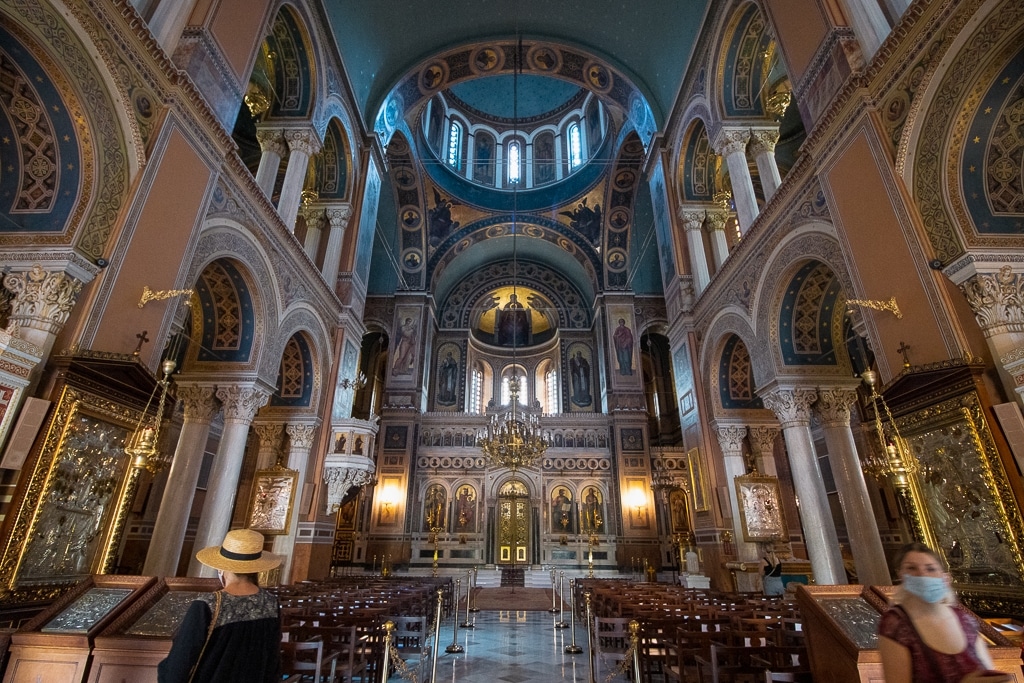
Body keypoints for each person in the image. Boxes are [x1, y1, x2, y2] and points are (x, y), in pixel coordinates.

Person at [158, 528, 282, 683]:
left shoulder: (207, 604)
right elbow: (273, 660)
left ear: (221, 567)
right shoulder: (270, 603)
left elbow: (180, 662)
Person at [878, 542, 1011, 683]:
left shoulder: (965, 619)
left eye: (930, 569)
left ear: (943, 576)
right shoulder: (896, 624)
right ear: (901, 576)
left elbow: (987, 670)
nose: (922, 575)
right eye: (912, 568)